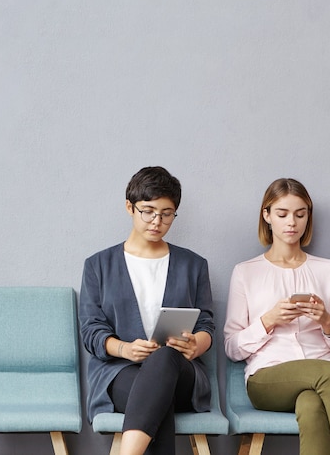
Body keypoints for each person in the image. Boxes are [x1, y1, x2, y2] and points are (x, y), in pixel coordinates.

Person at [224, 178, 330, 455]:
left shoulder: (329, 271)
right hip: (267, 378)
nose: (292, 222)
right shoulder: (246, 272)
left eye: (300, 214)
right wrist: (269, 321)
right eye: (282, 214)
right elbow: (232, 348)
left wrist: (326, 321)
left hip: (322, 375)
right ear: (267, 216)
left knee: (311, 405)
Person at [79, 166, 215, 455]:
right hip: (120, 373)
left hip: (182, 374)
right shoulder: (98, 266)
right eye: (148, 211)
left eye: (167, 214)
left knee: (165, 359)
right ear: (130, 207)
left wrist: (196, 344)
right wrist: (125, 349)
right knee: (154, 400)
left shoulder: (193, 265)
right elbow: (91, 330)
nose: (157, 221)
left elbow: (206, 323)